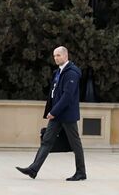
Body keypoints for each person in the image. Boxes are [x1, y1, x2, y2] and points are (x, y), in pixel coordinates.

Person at [17, 45, 87, 181]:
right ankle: (33, 169)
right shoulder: (58, 72)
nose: (56, 58)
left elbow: (67, 96)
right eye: (54, 56)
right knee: (46, 141)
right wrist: (52, 111)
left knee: (75, 143)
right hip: (57, 114)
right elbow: (54, 93)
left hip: (66, 115)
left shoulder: (71, 73)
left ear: (66, 56)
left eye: (58, 55)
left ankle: (81, 172)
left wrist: (53, 112)